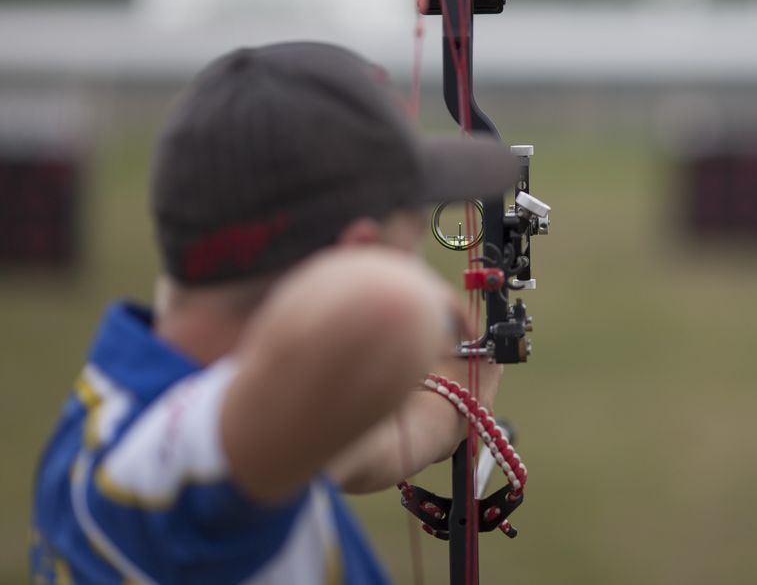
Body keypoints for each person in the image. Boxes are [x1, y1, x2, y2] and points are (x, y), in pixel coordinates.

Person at [30, 41, 517, 584]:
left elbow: (343, 453)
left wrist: (451, 406)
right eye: (409, 230)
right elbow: (392, 311)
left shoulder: (142, 394)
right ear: (357, 256)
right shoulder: (169, 479)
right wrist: (438, 309)